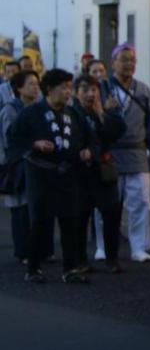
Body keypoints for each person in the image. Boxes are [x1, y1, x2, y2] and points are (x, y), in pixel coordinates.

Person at [8, 69, 90, 283]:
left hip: (68, 174)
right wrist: (34, 144)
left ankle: (70, 268)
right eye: (63, 87)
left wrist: (87, 151)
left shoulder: (73, 114)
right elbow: (13, 137)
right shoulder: (31, 113)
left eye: (69, 87)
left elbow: (89, 138)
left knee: (70, 221)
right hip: (41, 173)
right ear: (49, 89)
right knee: (41, 222)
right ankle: (34, 268)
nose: (67, 92)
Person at [102, 44, 150, 264]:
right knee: (108, 205)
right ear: (113, 62)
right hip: (111, 154)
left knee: (140, 202)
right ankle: (105, 247)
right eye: (124, 59)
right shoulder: (103, 88)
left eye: (133, 60)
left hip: (137, 152)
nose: (129, 64)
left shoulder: (143, 90)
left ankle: (138, 246)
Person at [68, 75, 126, 274]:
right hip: (80, 171)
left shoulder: (105, 112)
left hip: (103, 169)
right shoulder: (70, 114)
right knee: (80, 217)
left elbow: (116, 133)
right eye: (85, 90)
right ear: (76, 92)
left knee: (111, 213)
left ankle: (112, 258)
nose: (90, 94)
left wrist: (102, 114)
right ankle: (80, 258)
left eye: (94, 90)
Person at [1, 70, 43, 265]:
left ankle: (38, 249)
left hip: (36, 164)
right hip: (16, 165)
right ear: (18, 88)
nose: (36, 87)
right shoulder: (10, 109)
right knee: (20, 209)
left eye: (37, 83)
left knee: (35, 208)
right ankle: (23, 251)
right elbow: (8, 139)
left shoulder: (39, 107)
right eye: (31, 84)